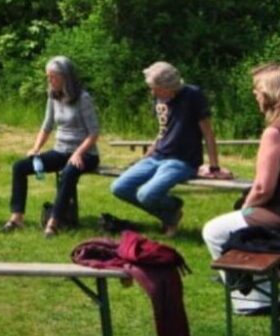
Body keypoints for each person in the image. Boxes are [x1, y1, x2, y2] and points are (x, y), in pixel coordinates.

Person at [203, 63, 280, 315]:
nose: (255, 95)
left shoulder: (274, 133)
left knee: (215, 230)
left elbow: (262, 188)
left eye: (257, 90)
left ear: (270, 93)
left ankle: (253, 298)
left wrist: (247, 207)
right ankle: (244, 279)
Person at [112, 61, 220, 236]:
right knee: (119, 187)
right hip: (157, 156)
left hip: (182, 161)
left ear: (170, 86)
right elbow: (163, 130)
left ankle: (172, 209)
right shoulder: (160, 97)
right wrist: (146, 156)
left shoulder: (193, 96)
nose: (152, 92)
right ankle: (170, 213)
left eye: (156, 88)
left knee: (146, 195)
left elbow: (208, 133)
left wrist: (214, 166)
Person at [1, 56, 100, 236]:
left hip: (86, 153)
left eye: (53, 77)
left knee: (69, 171)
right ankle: (17, 218)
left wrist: (78, 153)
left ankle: (53, 223)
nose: (49, 80)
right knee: (20, 166)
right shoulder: (52, 96)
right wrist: (36, 148)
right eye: (48, 76)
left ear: (65, 77)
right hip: (60, 150)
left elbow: (94, 133)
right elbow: (47, 126)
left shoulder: (83, 98)